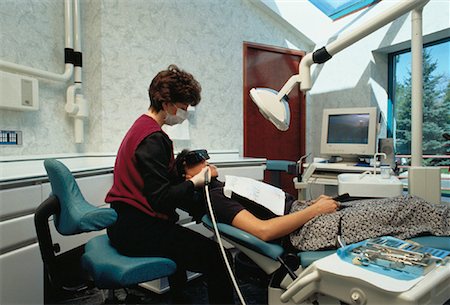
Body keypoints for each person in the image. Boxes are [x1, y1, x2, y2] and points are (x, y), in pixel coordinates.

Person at [105, 65, 235, 304]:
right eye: (183, 107)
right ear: (166, 104)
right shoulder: (154, 139)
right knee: (219, 257)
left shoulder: (141, 128)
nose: (185, 113)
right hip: (138, 232)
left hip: (124, 224)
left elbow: (157, 182)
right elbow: (161, 198)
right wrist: (196, 182)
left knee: (180, 248)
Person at [174, 149, 450, 252]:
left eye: (204, 157)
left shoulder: (225, 185)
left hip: (305, 214)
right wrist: (316, 209)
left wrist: (311, 205)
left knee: (403, 204)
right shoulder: (217, 198)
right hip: (306, 232)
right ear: (187, 176)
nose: (206, 161)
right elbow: (264, 231)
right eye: (197, 162)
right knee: (406, 208)